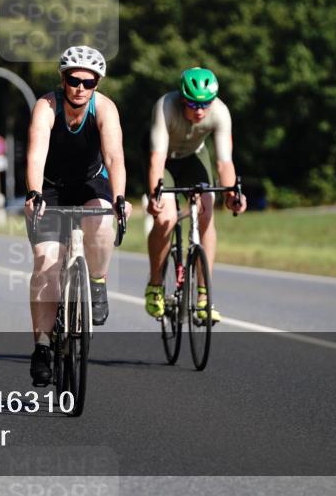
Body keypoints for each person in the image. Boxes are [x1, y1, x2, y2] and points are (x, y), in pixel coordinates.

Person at [24, 45, 131, 387]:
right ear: (63, 79)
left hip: (90, 183)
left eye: (89, 82)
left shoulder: (105, 109)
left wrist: (119, 198)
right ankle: (42, 346)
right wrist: (34, 193)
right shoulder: (46, 106)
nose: (80, 88)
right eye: (74, 80)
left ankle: (97, 283)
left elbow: (114, 157)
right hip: (51, 187)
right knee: (45, 261)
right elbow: (37, 152)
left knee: (101, 218)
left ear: (97, 83)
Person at [144, 67, 248, 322]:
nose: (200, 111)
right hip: (165, 161)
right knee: (166, 219)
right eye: (193, 104)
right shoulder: (165, 107)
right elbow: (156, 157)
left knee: (206, 214)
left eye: (205, 104)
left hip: (194, 159)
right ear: (182, 99)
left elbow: (224, 163)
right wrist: (155, 195)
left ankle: (203, 297)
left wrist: (233, 195)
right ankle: (155, 285)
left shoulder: (221, 112)